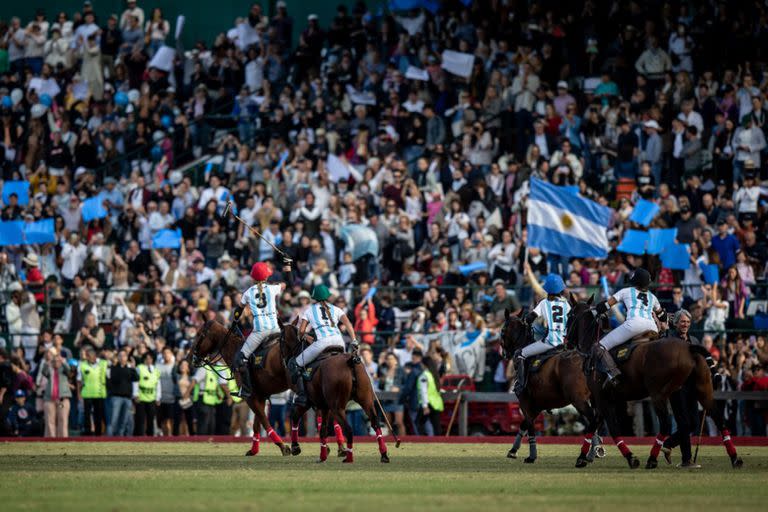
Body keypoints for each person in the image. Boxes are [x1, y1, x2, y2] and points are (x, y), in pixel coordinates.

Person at [593, 268, 668, 387]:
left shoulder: (625, 291)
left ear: (635, 281)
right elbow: (662, 316)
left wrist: (596, 309)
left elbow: (605, 306)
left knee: (599, 346)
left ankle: (613, 374)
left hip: (634, 325)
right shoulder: (653, 297)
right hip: (652, 327)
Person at [289, 284, 359, 407]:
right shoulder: (337, 309)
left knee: (295, 364)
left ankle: (302, 395)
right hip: (339, 342)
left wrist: (305, 336)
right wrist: (353, 340)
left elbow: (301, 331)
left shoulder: (309, 310)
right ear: (328, 296)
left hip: (322, 342)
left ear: (314, 297)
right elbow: (348, 324)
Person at [232, 260, 291, 398]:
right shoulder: (272, 288)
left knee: (240, 359)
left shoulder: (247, 293)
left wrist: (234, 321)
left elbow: (238, 310)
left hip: (260, 331)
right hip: (276, 329)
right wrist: (288, 266)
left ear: (253, 277)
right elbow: (288, 282)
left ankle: (246, 390)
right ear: (266, 276)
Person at [513, 274, 571, 395]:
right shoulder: (567, 304)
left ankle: (521, 385)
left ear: (547, 289)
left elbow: (530, 319)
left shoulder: (544, 303)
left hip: (550, 342)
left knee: (521, 354)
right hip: (566, 343)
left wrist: (523, 321)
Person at [661, 309, 704, 468]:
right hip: (676, 388)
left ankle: (668, 444)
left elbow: (701, 362)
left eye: (687, 322)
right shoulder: (670, 340)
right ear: (676, 323)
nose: (685, 324)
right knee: (684, 424)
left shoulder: (694, 340)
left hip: (692, 388)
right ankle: (687, 460)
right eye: (682, 322)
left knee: (694, 424)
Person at [39, 349, 72, 437]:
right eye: (55, 361)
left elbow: (69, 372)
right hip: (50, 398)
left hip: (62, 398)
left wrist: (62, 361)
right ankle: (51, 441)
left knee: (63, 420)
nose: (56, 362)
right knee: (50, 421)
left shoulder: (63, 369)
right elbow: (44, 372)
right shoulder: (50, 369)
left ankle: (64, 440)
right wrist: (48, 362)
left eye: (58, 361)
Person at [77, 347, 107, 436]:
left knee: (98, 415)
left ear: (95, 356)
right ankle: (88, 434)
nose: (89, 357)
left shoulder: (103, 364)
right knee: (87, 415)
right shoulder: (82, 365)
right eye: (88, 356)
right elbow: (79, 381)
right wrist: (79, 394)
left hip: (99, 393)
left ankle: (98, 434)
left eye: (91, 355)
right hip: (87, 394)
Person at [108, 349, 137, 436]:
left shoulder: (129, 369)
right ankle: (110, 439)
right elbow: (114, 378)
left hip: (127, 398)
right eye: (120, 356)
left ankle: (120, 438)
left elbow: (136, 378)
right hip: (116, 397)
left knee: (124, 421)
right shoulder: (114, 367)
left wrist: (133, 368)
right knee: (114, 419)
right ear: (117, 357)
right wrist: (115, 363)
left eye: (124, 356)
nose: (122, 357)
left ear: (127, 357)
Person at [133, 352, 161, 436]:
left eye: (150, 358)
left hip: (152, 398)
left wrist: (158, 397)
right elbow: (135, 382)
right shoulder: (139, 368)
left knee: (151, 419)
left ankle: (150, 436)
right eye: (147, 358)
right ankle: (139, 436)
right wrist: (135, 394)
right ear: (144, 359)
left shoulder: (156, 370)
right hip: (141, 398)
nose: (148, 360)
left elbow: (158, 385)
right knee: (140, 419)